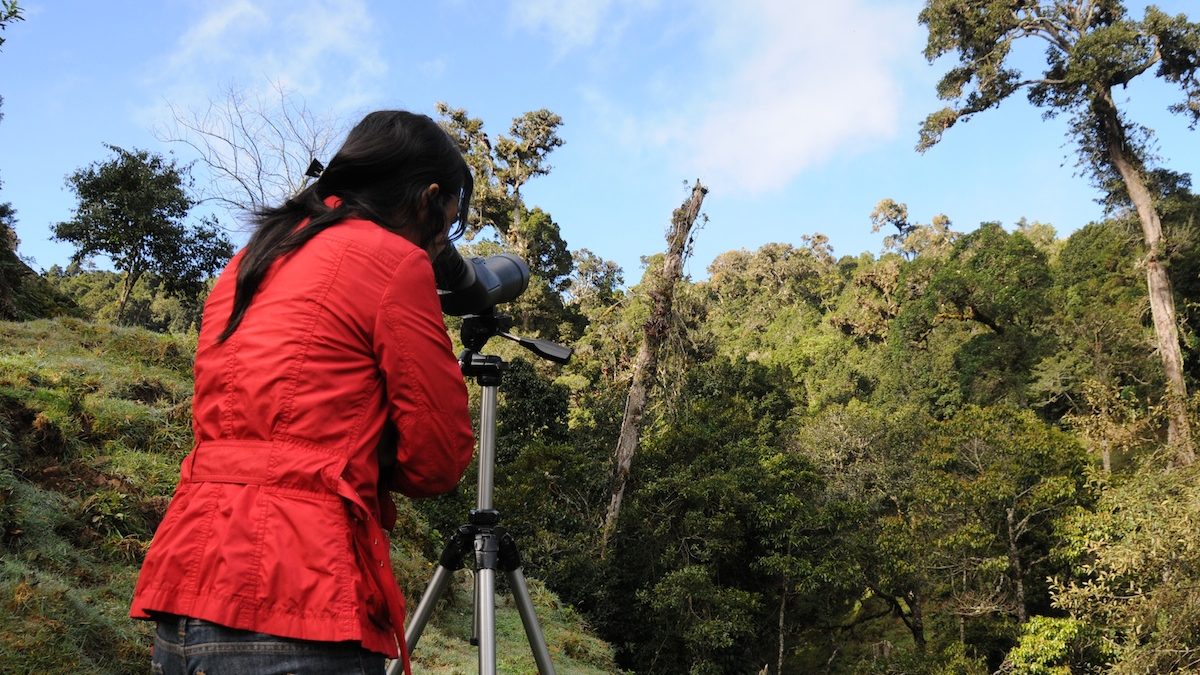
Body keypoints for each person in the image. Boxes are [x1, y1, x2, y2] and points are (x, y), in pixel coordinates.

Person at [130, 110, 477, 675]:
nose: (442, 245)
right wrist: (368, 451)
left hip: (185, 580)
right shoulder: (396, 263)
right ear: (428, 198)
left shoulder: (249, 259)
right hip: (299, 593)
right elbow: (437, 462)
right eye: (450, 223)